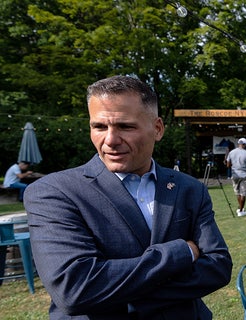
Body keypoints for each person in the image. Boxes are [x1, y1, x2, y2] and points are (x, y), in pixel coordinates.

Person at [23, 75, 233, 319]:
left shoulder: (188, 188)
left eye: (125, 126)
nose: (110, 140)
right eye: (99, 127)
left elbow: (217, 267)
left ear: (157, 129)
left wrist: (118, 291)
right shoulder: (54, 192)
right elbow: (75, 289)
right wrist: (181, 252)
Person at [226, 138, 246, 216]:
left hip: (235, 175)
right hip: (245, 175)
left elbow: (228, 165)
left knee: (237, 192)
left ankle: (240, 208)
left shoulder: (231, 152)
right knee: (243, 193)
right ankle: (241, 211)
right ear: (244, 144)